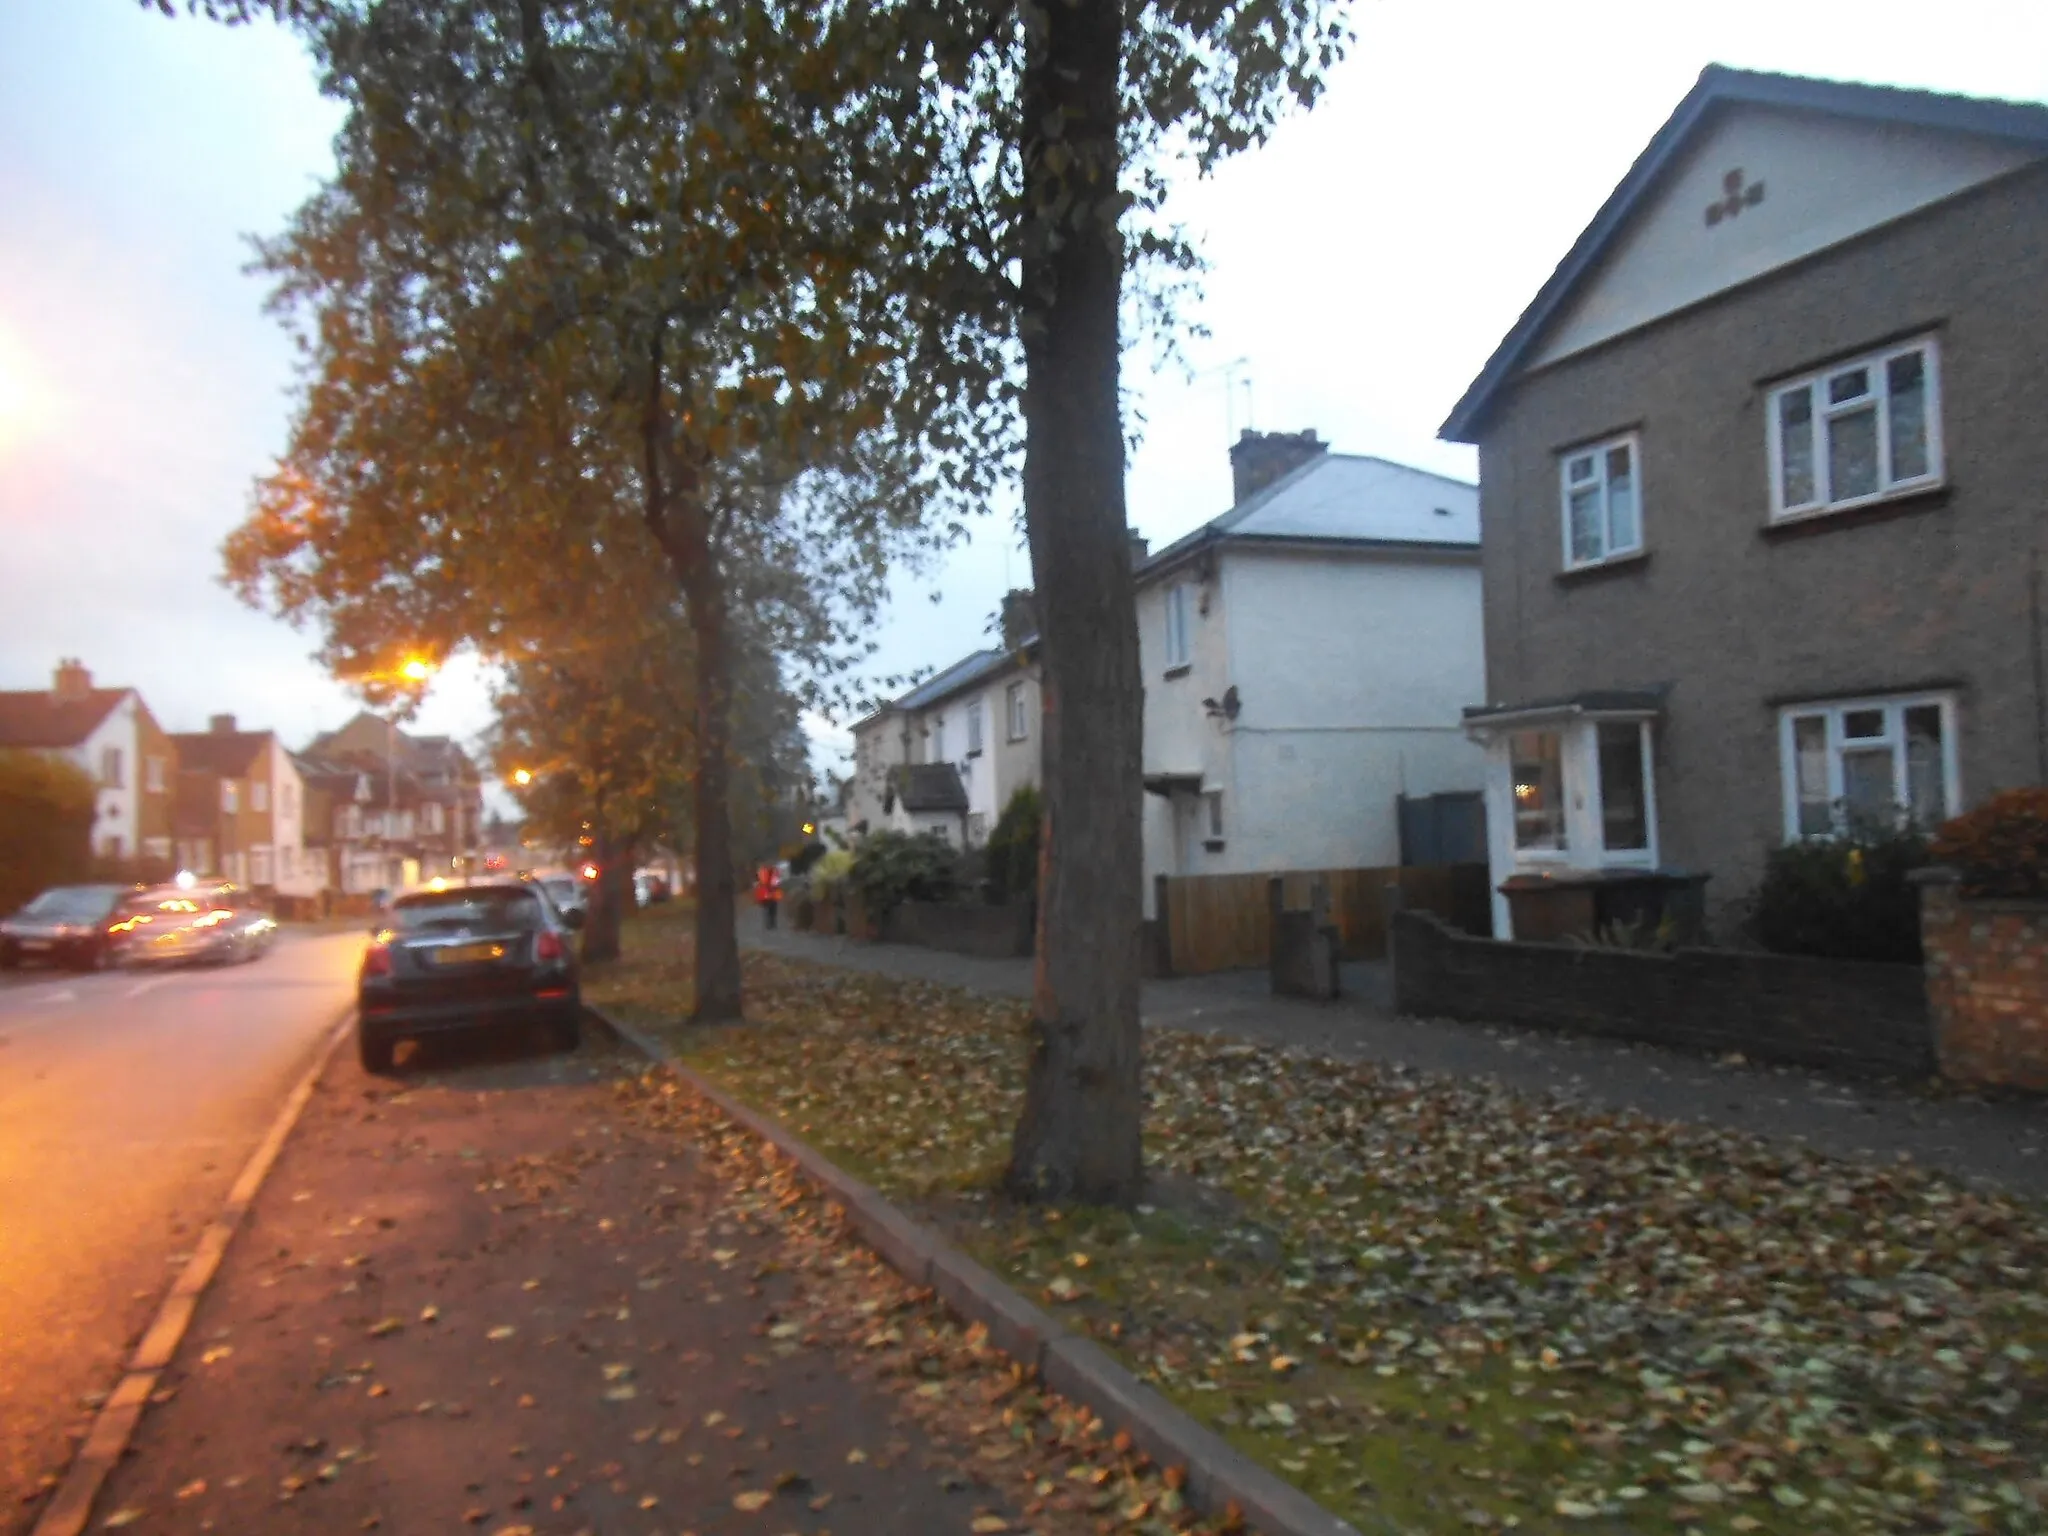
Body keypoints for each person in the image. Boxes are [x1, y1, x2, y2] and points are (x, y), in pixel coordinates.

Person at [753, 863, 783, 929]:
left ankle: (770, 923)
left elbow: (758, 882)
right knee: (771, 909)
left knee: (770, 909)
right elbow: (778, 882)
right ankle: (771, 923)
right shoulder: (770, 872)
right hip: (769, 893)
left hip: (769, 893)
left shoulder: (763, 871)